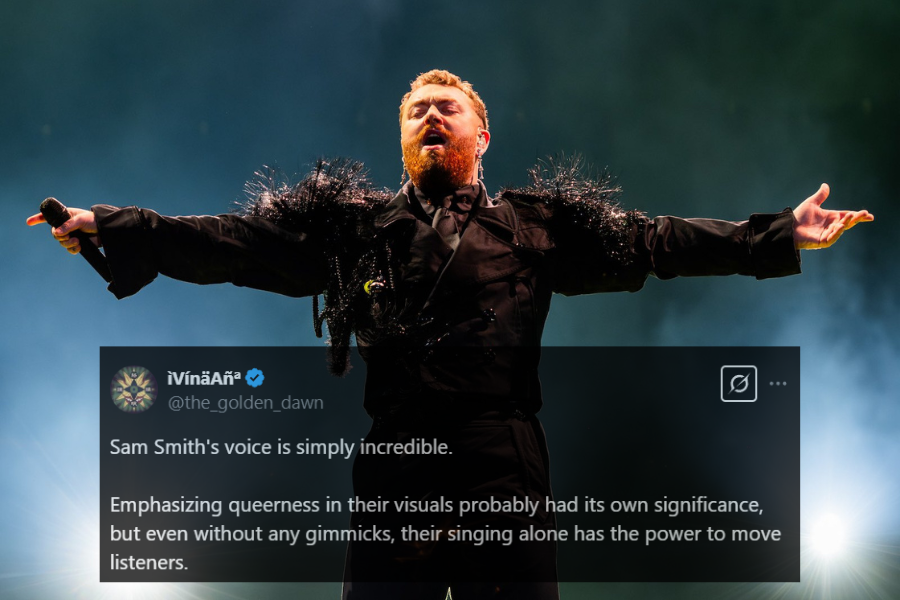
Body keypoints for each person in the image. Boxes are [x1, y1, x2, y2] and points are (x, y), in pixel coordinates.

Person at [28, 70, 873, 599]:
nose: (430, 118)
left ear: (481, 134)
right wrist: (117, 225)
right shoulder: (351, 229)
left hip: (501, 453)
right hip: (397, 458)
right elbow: (230, 244)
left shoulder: (536, 226)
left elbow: (654, 241)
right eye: (416, 111)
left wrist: (776, 235)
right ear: (402, 141)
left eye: (447, 109)